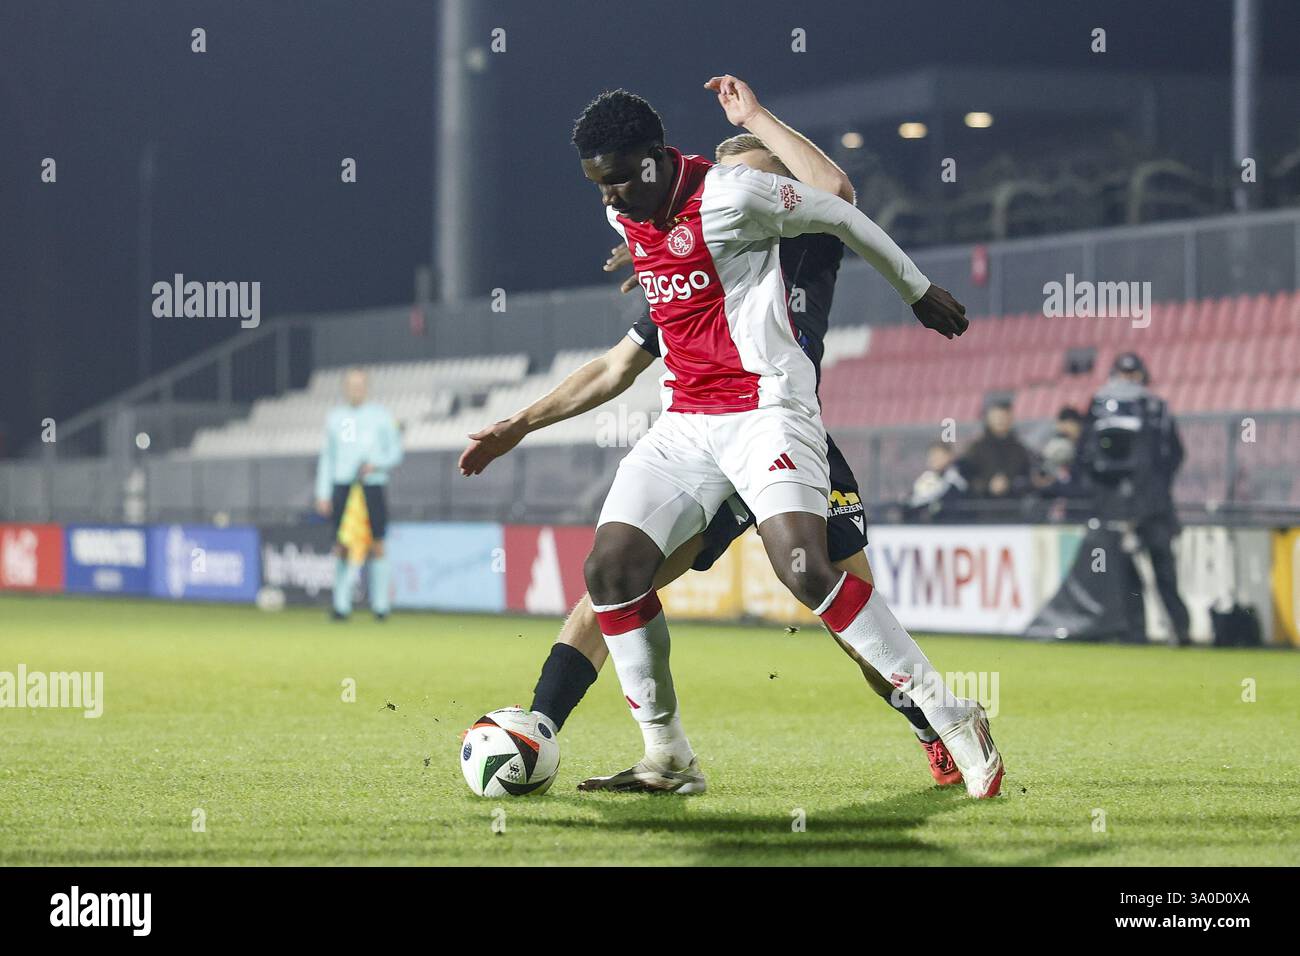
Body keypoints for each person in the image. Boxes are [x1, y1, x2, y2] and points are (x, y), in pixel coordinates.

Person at [468, 82, 1001, 798]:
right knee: (615, 577)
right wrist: (521, 422)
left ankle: (936, 721)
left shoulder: (793, 236)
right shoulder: (671, 250)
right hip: (696, 433)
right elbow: (618, 365)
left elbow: (835, 192)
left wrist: (756, 121)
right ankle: (597, 736)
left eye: (764, 173)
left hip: (780, 424)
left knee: (830, 597)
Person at [1081, 352, 1190, 645]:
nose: (1128, 380)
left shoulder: (1155, 408)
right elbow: (1087, 456)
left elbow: (1174, 455)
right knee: (1127, 577)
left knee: (1164, 573)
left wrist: (1152, 491)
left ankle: (1180, 632)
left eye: (1133, 374)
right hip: (1122, 506)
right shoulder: (1102, 408)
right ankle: (1135, 633)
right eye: (1123, 374)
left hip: (1152, 508)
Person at [314, 368, 403, 621]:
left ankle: (381, 606)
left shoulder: (381, 417)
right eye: (351, 385)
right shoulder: (334, 418)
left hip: (372, 484)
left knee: (377, 544)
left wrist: (376, 464)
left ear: (366, 387)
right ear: (345, 388)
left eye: (359, 385)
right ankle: (341, 606)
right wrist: (323, 493)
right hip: (342, 485)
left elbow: (395, 452)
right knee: (342, 545)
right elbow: (327, 458)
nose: (355, 389)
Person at [960, 401, 1036, 499]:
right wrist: (987, 485)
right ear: (988, 419)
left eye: (1004, 416)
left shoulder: (1020, 448)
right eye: (997, 417)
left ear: (1011, 419)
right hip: (982, 506)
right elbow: (966, 477)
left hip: (1014, 506)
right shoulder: (976, 448)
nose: (1001, 420)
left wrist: (1011, 484)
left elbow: (1027, 476)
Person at [907, 442, 968, 519]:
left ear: (950, 457)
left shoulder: (957, 482)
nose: (934, 459)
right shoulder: (924, 480)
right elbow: (912, 503)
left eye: (938, 456)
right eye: (931, 456)